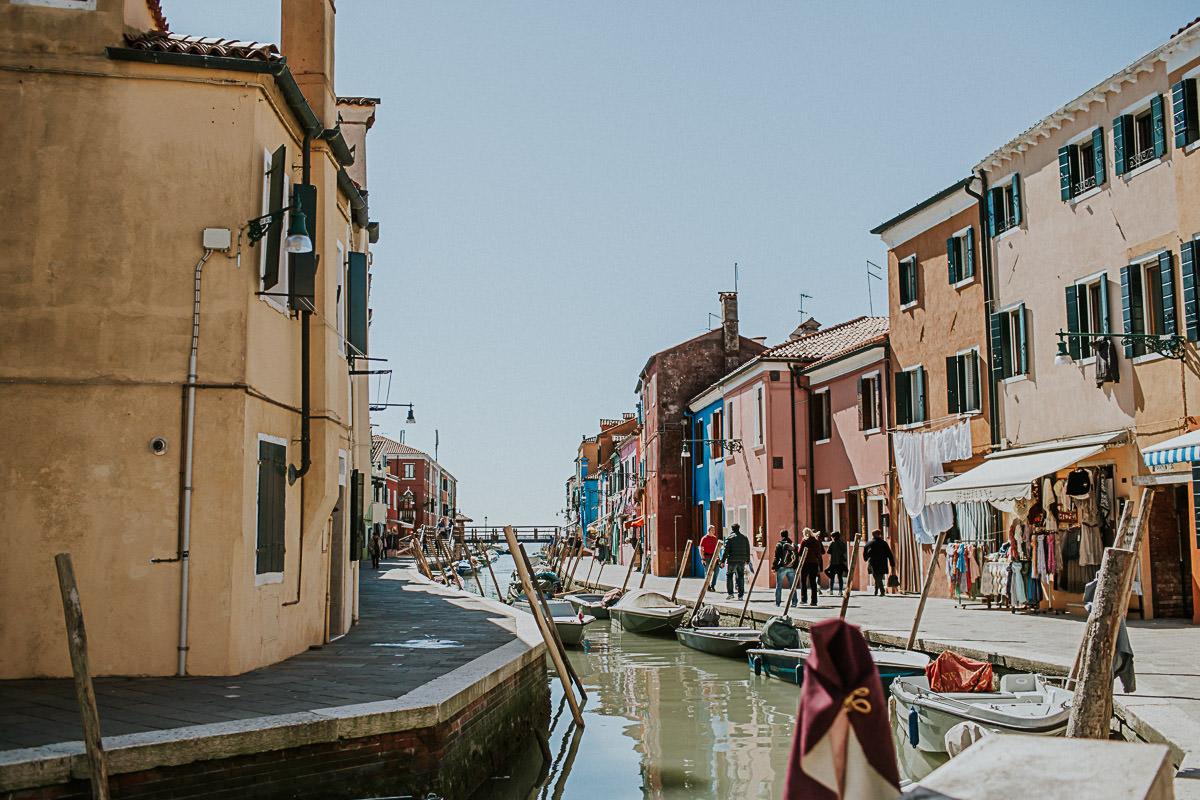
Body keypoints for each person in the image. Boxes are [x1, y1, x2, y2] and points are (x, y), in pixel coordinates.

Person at [721, 523, 751, 600]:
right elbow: (748, 549)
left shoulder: (730, 538)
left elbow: (726, 551)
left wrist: (722, 561)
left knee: (729, 576)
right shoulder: (744, 538)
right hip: (741, 561)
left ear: (732, 529)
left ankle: (730, 594)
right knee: (740, 577)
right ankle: (740, 595)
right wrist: (747, 560)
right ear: (739, 528)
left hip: (732, 561)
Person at [797, 528, 825, 606]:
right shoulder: (816, 542)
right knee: (813, 582)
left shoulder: (804, 541)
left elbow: (799, 553)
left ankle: (804, 599)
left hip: (805, 563)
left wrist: (798, 548)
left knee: (803, 581)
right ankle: (814, 601)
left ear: (805, 533)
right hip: (814, 563)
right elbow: (819, 553)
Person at [862, 529, 895, 597]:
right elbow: (889, 554)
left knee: (876, 576)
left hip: (873, 563)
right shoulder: (883, 543)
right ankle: (877, 589)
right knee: (878, 576)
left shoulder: (869, 543)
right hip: (882, 562)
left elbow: (865, 552)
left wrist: (865, 558)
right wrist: (892, 563)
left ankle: (881, 590)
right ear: (879, 535)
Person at [772, 530, 798, 608]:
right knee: (792, 586)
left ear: (781, 535)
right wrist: (794, 566)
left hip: (781, 567)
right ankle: (794, 602)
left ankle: (778, 602)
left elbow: (776, 557)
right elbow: (796, 557)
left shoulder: (779, 544)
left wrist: (774, 567)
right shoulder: (792, 544)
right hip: (791, 567)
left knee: (779, 585)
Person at [825, 530, 848, 595]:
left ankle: (831, 590)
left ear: (834, 537)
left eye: (832, 536)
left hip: (833, 562)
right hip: (840, 563)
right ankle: (840, 591)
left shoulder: (831, 543)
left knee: (831, 577)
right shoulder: (842, 543)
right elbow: (844, 551)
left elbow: (828, 552)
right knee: (840, 577)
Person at [699, 525, 721, 590]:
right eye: (712, 530)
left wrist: (718, 558)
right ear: (709, 530)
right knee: (708, 572)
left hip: (714, 557)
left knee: (717, 571)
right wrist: (702, 558)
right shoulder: (704, 538)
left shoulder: (715, 538)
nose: (714, 531)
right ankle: (707, 586)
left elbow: (717, 549)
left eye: (714, 530)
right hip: (707, 557)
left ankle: (713, 585)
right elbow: (701, 549)